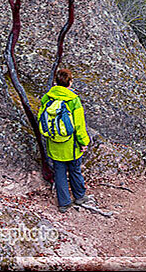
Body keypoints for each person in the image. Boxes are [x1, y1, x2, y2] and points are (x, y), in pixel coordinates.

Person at [38, 68, 91, 213]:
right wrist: (83, 142)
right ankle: (79, 196)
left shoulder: (47, 98)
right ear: (70, 82)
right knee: (74, 169)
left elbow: (41, 119)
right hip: (71, 144)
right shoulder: (73, 100)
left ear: (56, 81)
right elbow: (79, 125)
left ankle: (64, 203)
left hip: (54, 143)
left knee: (59, 172)